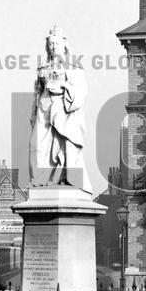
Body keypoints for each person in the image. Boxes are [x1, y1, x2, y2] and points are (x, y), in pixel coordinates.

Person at [29, 26, 92, 194]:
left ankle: (63, 177)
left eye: (56, 43)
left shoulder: (71, 66)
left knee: (62, 146)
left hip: (62, 107)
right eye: (50, 44)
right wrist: (33, 112)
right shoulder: (42, 67)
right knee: (36, 143)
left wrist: (63, 88)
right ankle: (39, 180)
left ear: (63, 45)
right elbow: (37, 91)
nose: (53, 47)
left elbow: (80, 89)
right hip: (43, 106)